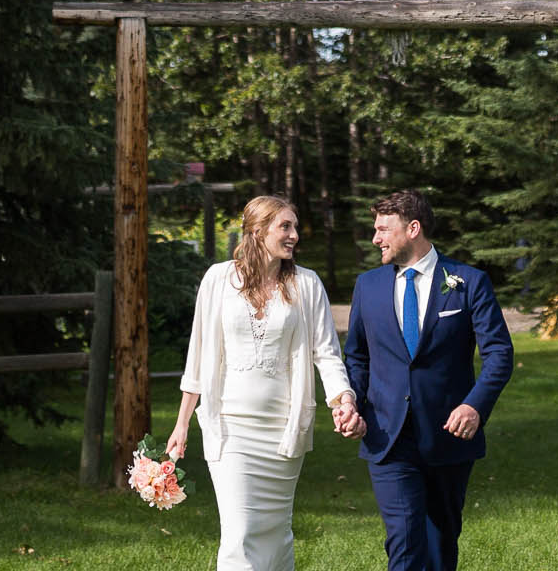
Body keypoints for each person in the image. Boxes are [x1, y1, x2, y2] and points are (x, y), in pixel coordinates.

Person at [166, 195, 362, 571]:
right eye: (285, 227)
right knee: (240, 534)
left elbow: (326, 352)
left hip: (283, 432)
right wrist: (182, 423)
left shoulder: (306, 284)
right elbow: (199, 353)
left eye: (295, 227)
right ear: (257, 231)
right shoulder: (218, 279)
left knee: (275, 536)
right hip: (230, 429)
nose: (294, 235)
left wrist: (343, 400)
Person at [343, 189, 514, 571]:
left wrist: (474, 405)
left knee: (441, 544)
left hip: (449, 436)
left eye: (383, 229)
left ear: (413, 228)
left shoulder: (469, 282)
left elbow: (499, 354)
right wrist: (350, 400)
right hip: (387, 435)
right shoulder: (367, 287)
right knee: (404, 540)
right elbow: (356, 355)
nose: (376, 239)